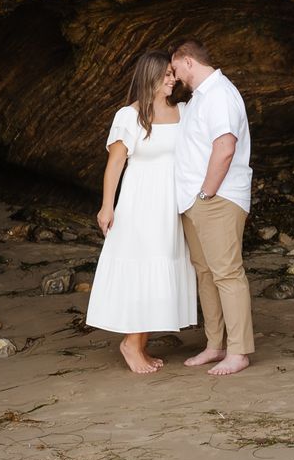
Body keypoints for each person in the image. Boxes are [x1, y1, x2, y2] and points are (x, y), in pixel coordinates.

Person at [84, 51, 198, 373]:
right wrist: (107, 206)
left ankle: (140, 344)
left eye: (172, 75)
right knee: (144, 271)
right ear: (149, 76)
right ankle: (131, 344)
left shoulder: (182, 111)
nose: (172, 79)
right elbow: (114, 165)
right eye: (165, 75)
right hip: (140, 205)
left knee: (160, 272)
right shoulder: (129, 116)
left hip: (169, 205)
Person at [169, 39, 254, 376]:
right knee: (206, 274)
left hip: (217, 199)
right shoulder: (201, 98)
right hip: (197, 200)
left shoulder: (220, 94)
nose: (175, 78)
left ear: (188, 61)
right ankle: (215, 345)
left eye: (175, 70)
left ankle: (239, 351)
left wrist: (205, 194)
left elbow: (225, 147)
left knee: (228, 273)